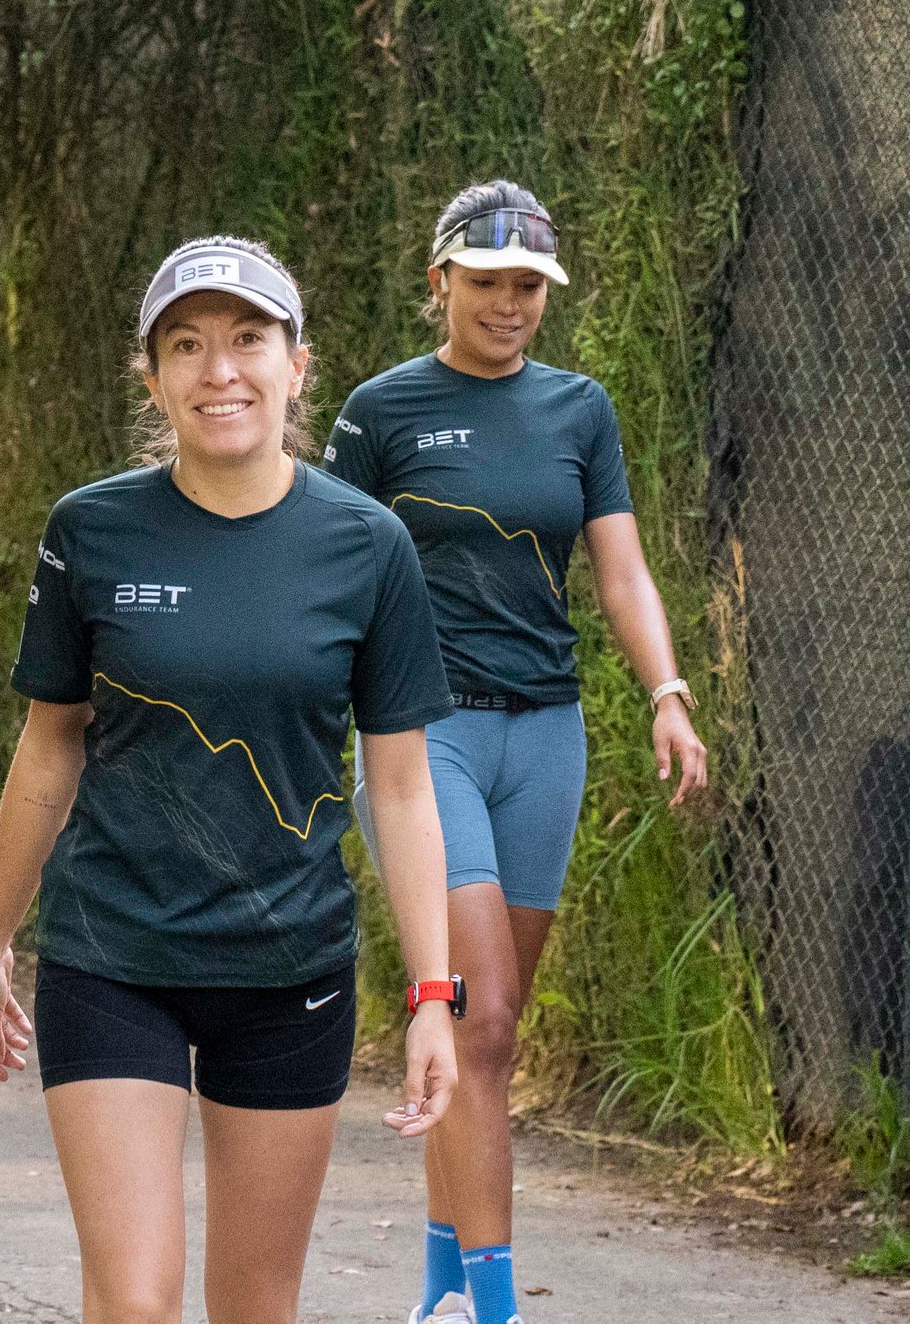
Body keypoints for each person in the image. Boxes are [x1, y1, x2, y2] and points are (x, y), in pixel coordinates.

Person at [0, 235, 466, 1324]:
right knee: (137, 1302)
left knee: (254, 1305)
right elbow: (49, 745)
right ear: (151, 376)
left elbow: (401, 788)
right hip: (112, 955)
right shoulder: (91, 529)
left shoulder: (368, 545)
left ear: (297, 364)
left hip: (291, 970)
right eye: (185, 345)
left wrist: (433, 995)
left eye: (247, 339)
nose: (219, 369)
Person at [324, 183, 710, 1324]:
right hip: (424, 737)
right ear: (440, 282)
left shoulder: (580, 410)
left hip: (547, 737)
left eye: (529, 285)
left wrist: (667, 692)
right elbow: (325, 568)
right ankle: (496, 1310)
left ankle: (441, 1290)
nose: (510, 303)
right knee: (481, 1015)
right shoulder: (383, 411)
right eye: (488, 281)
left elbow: (621, 571)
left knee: (486, 1037)